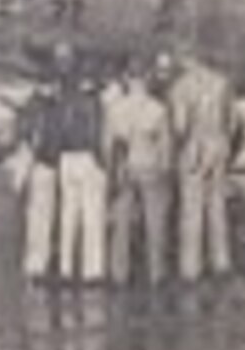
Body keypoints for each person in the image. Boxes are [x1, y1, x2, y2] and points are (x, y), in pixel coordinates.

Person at [167, 54, 242, 281]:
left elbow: (180, 126)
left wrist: (178, 150)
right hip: (218, 146)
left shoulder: (181, 87)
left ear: (188, 60)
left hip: (194, 147)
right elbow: (234, 121)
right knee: (217, 207)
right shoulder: (223, 82)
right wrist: (225, 144)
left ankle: (191, 267)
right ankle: (220, 261)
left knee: (192, 211)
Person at [104, 71, 177, 285]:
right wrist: (167, 171)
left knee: (121, 223)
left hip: (123, 167)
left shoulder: (114, 109)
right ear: (147, 81)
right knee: (155, 222)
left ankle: (119, 273)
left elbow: (107, 145)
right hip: (150, 163)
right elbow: (166, 147)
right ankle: (156, 273)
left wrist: (111, 171)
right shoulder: (158, 109)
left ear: (127, 81)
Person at [51, 48, 109, 285]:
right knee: (92, 217)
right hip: (87, 157)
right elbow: (95, 132)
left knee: (68, 216)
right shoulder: (92, 101)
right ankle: (91, 271)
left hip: (66, 158)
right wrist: (102, 161)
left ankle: (65, 268)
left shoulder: (63, 98)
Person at [14, 83, 64, 282]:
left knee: (32, 216)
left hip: (29, 163)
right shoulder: (46, 112)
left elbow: (24, 142)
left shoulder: (28, 109)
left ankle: (31, 261)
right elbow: (39, 141)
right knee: (42, 217)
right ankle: (37, 264)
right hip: (44, 165)